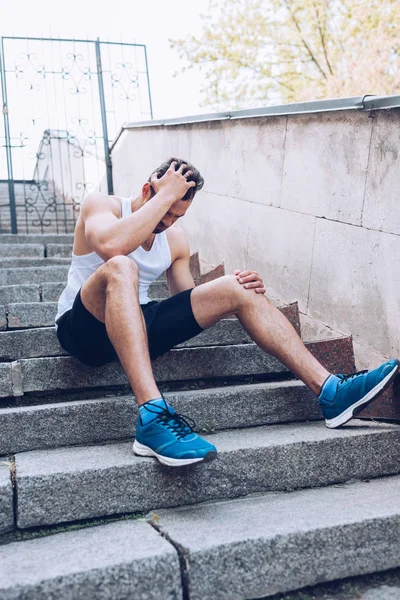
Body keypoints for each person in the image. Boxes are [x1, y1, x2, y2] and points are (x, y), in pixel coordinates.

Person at [55, 157, 399, 467]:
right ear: (148, 190)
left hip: (136, 325)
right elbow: (111, 246)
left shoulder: (175, 240)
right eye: (166, 210)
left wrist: (232, 299)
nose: (169, 222)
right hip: (83, 328)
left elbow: (186, 305)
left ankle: (331, 392)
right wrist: (164, 195)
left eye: (178, 215)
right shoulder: (101, 205)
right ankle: (153, 415)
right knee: (121, 266)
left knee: (235, 286)